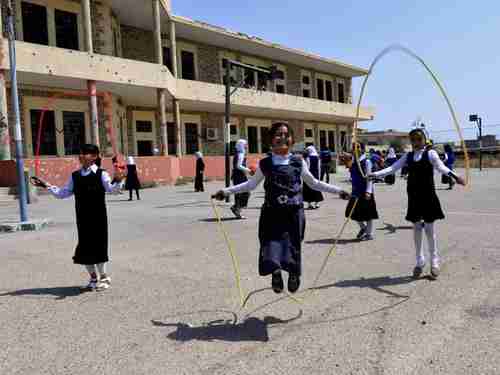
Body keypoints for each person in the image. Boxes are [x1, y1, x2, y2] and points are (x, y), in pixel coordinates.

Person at [214, 123, 350, 294]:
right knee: (271, 245)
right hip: (271, 213)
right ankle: (276, 273)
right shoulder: (265, 163)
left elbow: (314, 183)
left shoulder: (299, 162)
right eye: (278, 134)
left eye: (286, 134)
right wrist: (225, 191)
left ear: (292, 139)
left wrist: (340, 191)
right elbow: (250, 185)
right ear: (271, 140)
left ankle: (293, 273)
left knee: (293, 246)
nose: (283, 138)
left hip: (294, 213)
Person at [369, 128, 465, 280]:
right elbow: (393, 168)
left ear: (424, 140)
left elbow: (441, 167)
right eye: (413, 140)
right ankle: (420, 261)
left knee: (429, 228)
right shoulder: (408, 156)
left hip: (428, 195)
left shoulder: (431, 154)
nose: (415, 142)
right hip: (413, 196)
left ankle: (434, 261)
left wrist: (455, 176)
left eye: (418, 139)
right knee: (416, 228)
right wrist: (375, 174)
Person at [43, 144, 124, 290]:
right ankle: (93, 278)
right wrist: (48, 186)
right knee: (85, 248)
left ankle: (104, 277)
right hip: (82, 217)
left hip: (98, 217)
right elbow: (64, 193)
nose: (81, 156)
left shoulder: (101, 174)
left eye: (84, 153)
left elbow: (113, 190)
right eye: (80, 153)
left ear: (94, 156)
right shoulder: (75, 176)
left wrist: (119, 179)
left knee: (99, 247)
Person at [344, 143, 379, 241]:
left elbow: (369, 177)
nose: (355, 149)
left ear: (362, 149)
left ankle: (369, 234)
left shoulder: (366, 161)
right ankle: (363, 228)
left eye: (358, 147)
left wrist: (368, 191)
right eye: (354, 147)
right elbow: (351, 172)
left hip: (365, 191)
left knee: (368, 214)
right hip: (356, 191)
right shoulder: (353, 161)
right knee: (352, 212)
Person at [231, 139, 252, 219]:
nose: (246, 146)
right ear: (241, 145)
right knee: (245, 192)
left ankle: (237, 209)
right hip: (239, 176)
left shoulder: (238, 153)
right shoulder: (240, 154)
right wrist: (249, 170)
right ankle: (237, 208)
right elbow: (238, 166)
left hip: (237, 175)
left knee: (240, 192)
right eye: (245, 144)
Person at [302, 145, 324, 209]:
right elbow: (319, 167)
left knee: (308, 189)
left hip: (309, 175)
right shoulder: (317, 157)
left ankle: (309, 204)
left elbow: (307, 167)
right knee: (316, 189)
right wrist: (319, 177)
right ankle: (317, 204)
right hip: (316, 175)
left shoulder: (307, 157)